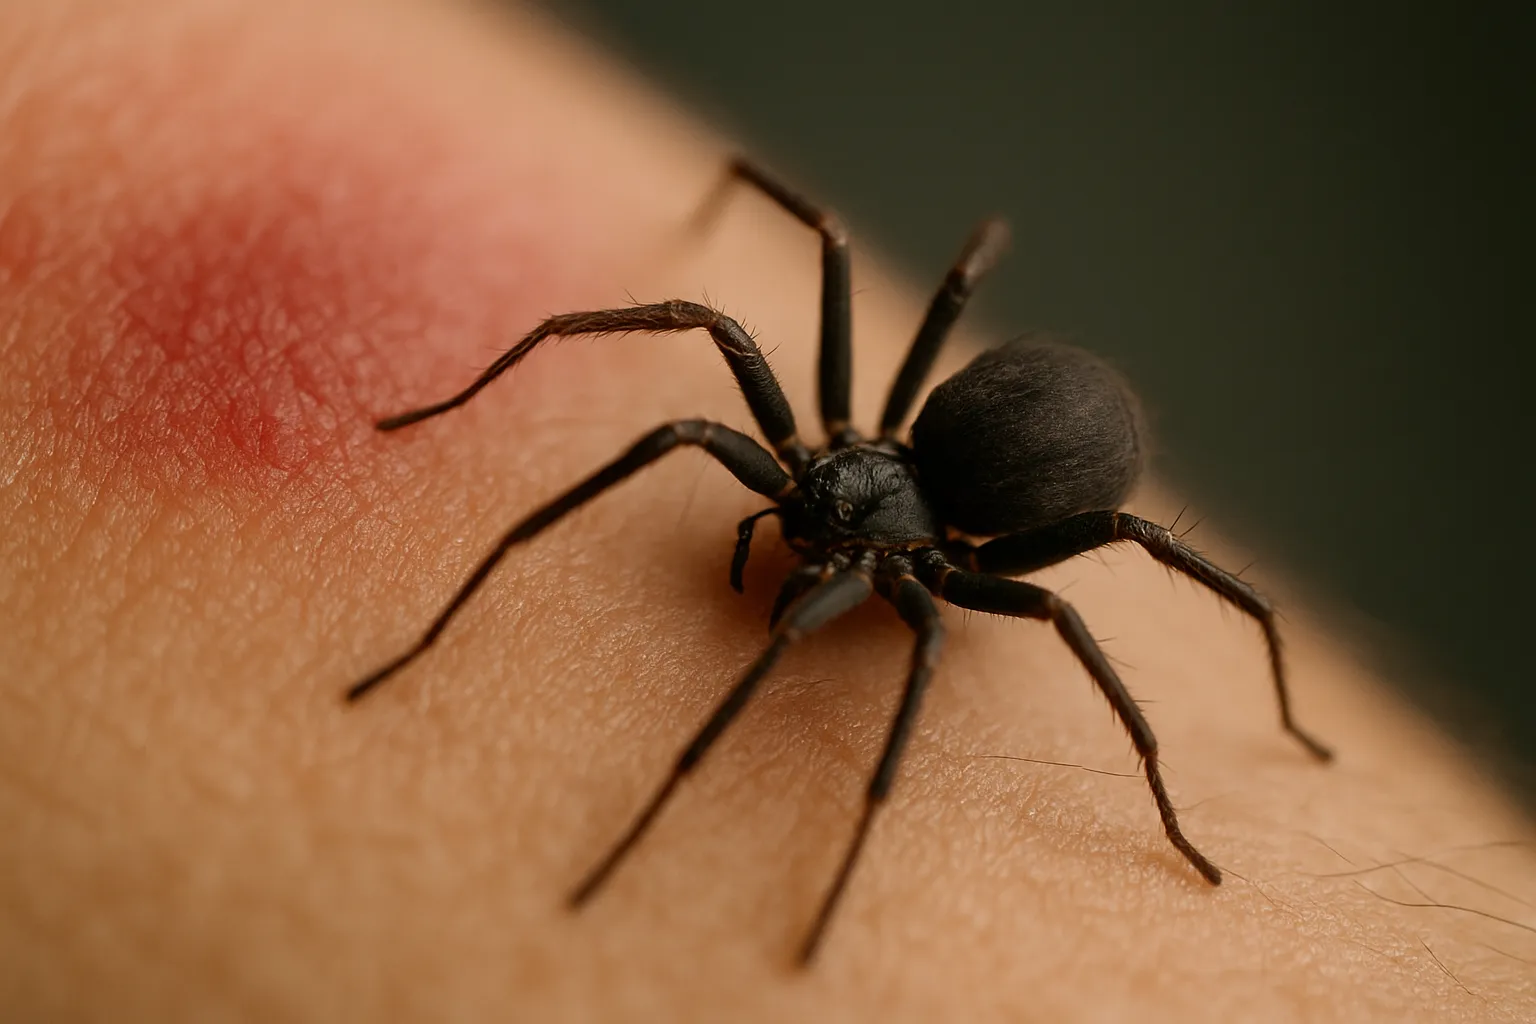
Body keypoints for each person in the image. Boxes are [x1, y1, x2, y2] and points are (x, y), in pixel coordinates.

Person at [2, 0, 1530, 1019]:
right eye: (807, 493)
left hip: (998, 479)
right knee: (691, 371)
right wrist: (456, 414)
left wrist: (1166, 801)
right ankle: (454, 574)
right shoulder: (820, 465)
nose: (804, 508)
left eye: (820, 516)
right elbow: (744, 364)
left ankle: (735, 830)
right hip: (940, 449)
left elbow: (990, 605)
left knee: (1054, 594)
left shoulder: (920, 573)